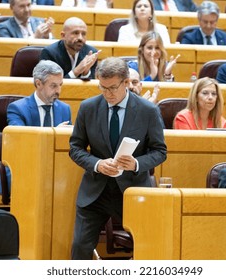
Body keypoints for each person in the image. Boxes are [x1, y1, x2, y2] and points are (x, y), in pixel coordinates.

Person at [69, 57, 167, 259]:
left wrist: (137, 164)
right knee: (80, 246)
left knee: (149, 244)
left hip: (132, 190)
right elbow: (75, 148)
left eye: (113, 88)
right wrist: (96, 164)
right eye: (102, 88)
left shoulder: (148, 110)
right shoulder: (88, 108)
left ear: (126, 83)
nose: (108, 94)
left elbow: (160, 151)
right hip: (95, 191)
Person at [0, 60, 72, 194]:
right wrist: (53, 133)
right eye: (53, 86)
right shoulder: (17, 108)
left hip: (54, 172)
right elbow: (22, 142)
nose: (58, 91)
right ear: (38, 83)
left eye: (60, 85)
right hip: (23, 168)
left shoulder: (64, 109)